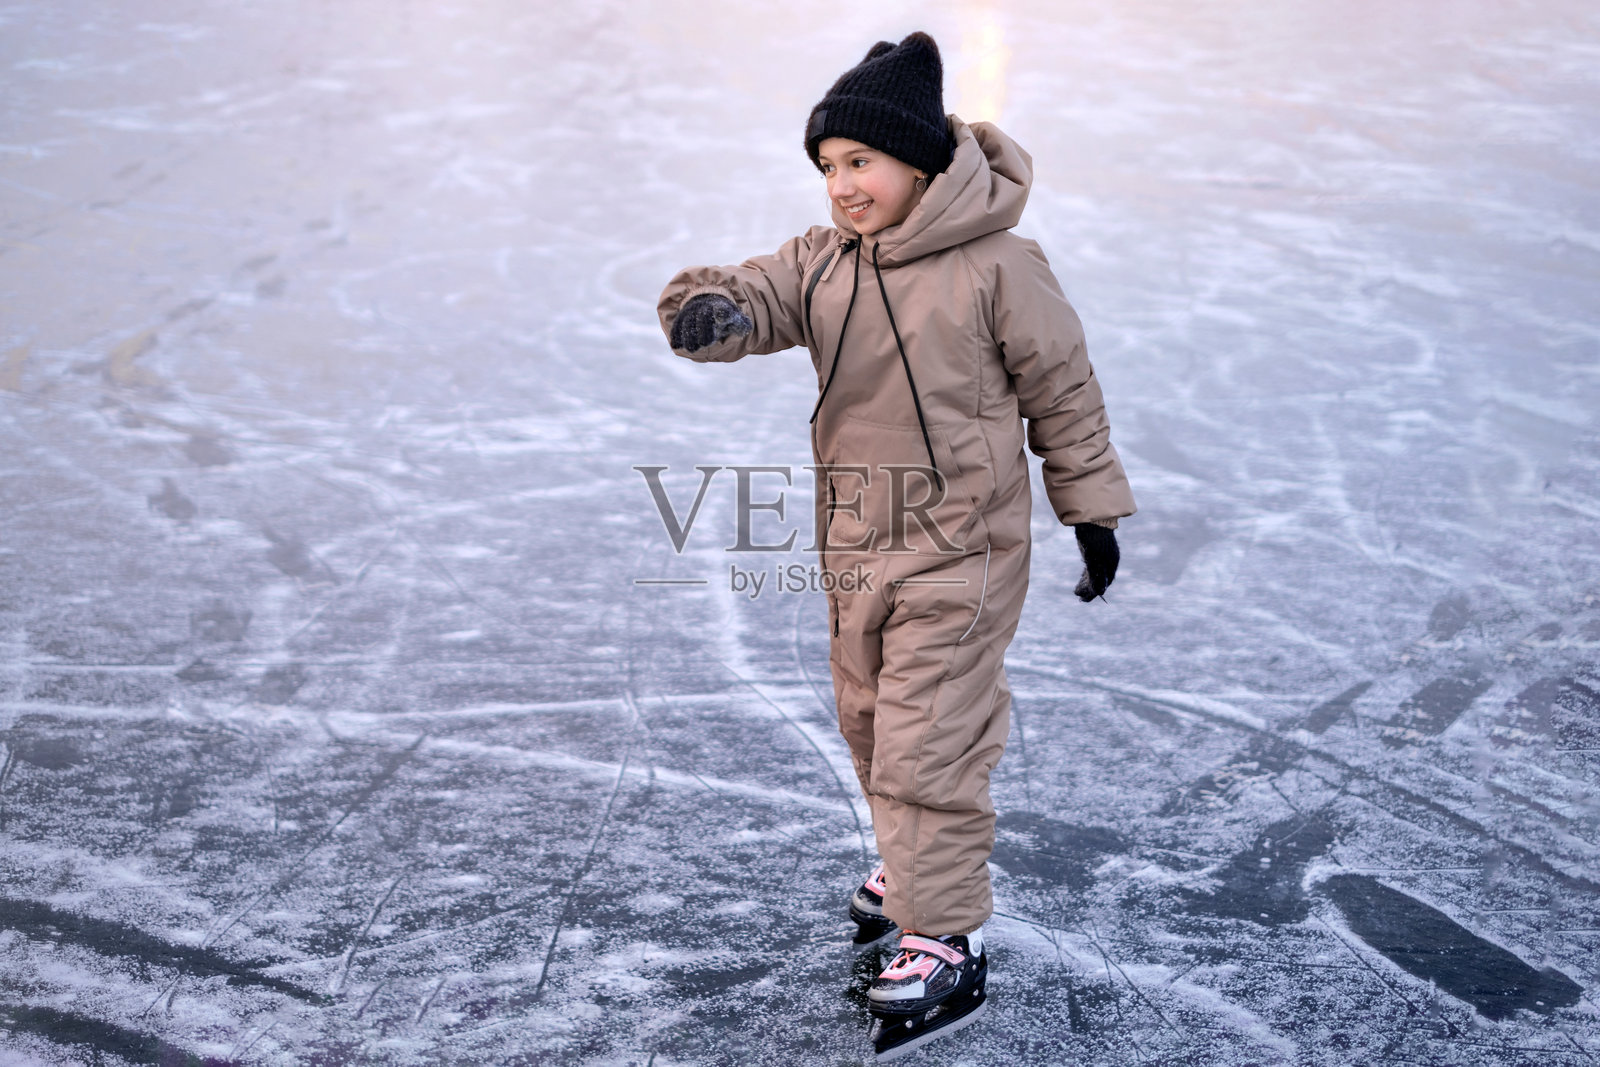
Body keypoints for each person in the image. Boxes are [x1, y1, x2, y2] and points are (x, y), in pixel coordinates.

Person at [656, 30, 1135, 1062]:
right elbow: (755, 293)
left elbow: (1062, 390)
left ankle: (944, 931)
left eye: (860, 162)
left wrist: (1087, 507)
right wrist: (706, 311)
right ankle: (912, 863)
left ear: (920, 162)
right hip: (857, 546)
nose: (842, 185)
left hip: (963, 549)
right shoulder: (823, 261)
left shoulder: (1000, 265)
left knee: (931, 737)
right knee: (875, 720)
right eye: (827, 167)